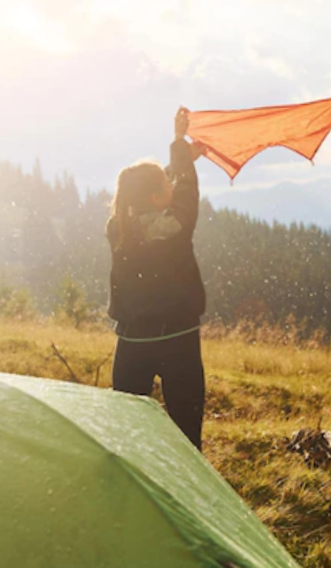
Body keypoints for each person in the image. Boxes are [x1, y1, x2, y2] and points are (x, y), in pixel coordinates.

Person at [106, 107, 207, 451]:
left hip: (132, 343)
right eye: (165, 184)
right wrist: (181, 152)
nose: (171, 185)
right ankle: (190, 492)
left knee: (127, 430)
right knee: (187, 431)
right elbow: (185, 204)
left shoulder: (118, 227)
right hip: (177, 338)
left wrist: (179, 163)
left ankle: (129, 490)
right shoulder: (171, 227)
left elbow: (151, 194)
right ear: (153, 196)